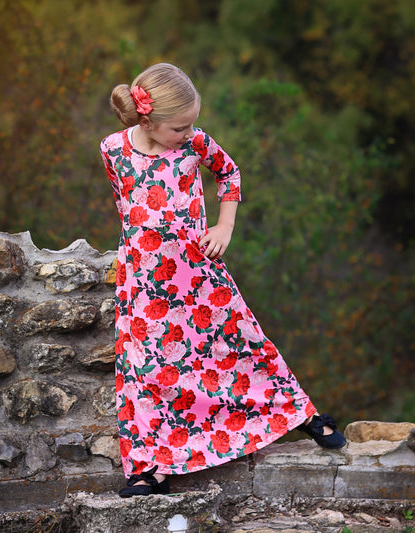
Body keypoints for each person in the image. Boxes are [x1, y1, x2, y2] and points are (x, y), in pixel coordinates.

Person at [99, 63, 346, 498]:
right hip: (142, 284)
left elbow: (229, 174)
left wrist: (224, 227)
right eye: (179, 126)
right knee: (147, 372)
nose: (189, 130)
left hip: (197, 275)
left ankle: (299, 414)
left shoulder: (196, 144)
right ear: (147, 120)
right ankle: (150, 466)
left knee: (240, 343)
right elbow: (127, 209)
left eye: (192, 122)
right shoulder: (112, 150)